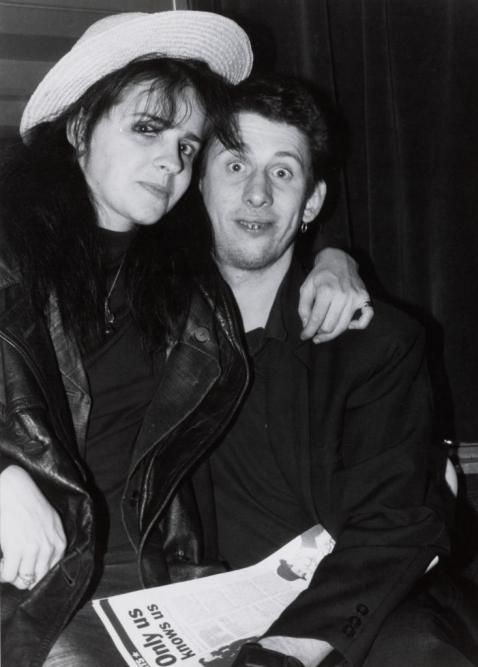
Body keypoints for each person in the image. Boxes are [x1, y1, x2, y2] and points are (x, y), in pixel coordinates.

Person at [0, 10, 373, 667]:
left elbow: (264, 231)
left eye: (188, 146)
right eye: (147, 128)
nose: (170, 160)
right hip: (31, 583)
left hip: (156, 579)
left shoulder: (182, 281)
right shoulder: (8, 250)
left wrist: (333, 257)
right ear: (81, 128)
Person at [192, 74, 478, 667]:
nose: (257, 193)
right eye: (234, 165)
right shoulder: (152, 329)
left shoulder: (377, 344)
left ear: (311, 202)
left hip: (353, 620)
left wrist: (286, 649)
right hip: (195, 616)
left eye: (282, 172)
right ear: (199, 183)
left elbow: (396, 523)